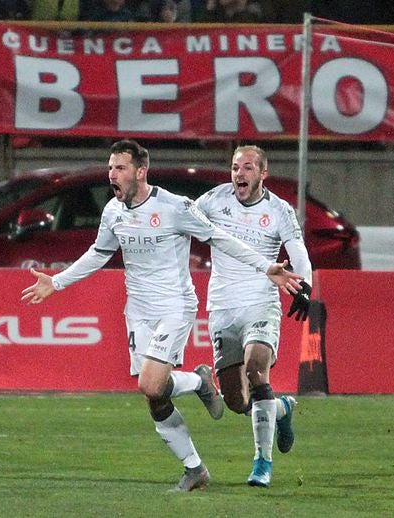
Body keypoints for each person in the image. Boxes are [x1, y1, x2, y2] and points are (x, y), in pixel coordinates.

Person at [19, 139, 304, 492]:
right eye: (110, 168)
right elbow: (98, 252)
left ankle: (210, 397)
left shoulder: (175, 207)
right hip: (137, 311)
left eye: (119, 168)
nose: (112, 174)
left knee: (151, 384)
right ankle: (195, 465)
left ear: (140, 171)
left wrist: (266, 267)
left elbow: (220, 238)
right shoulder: (113, 211)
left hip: (174, 306)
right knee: (157, 395)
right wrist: (58, 282)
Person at [195, 145, 309, 488]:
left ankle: (262, 463)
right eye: (234, 167)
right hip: (223, 307)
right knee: (237, 401)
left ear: (263, 173)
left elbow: (298, 251)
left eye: (247, 168)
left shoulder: (279, 211)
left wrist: (305, 287)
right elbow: (181, 220)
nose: (239, 174)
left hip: (261, 303)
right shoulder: (214, 201)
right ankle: (281, 408)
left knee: (256, 368)